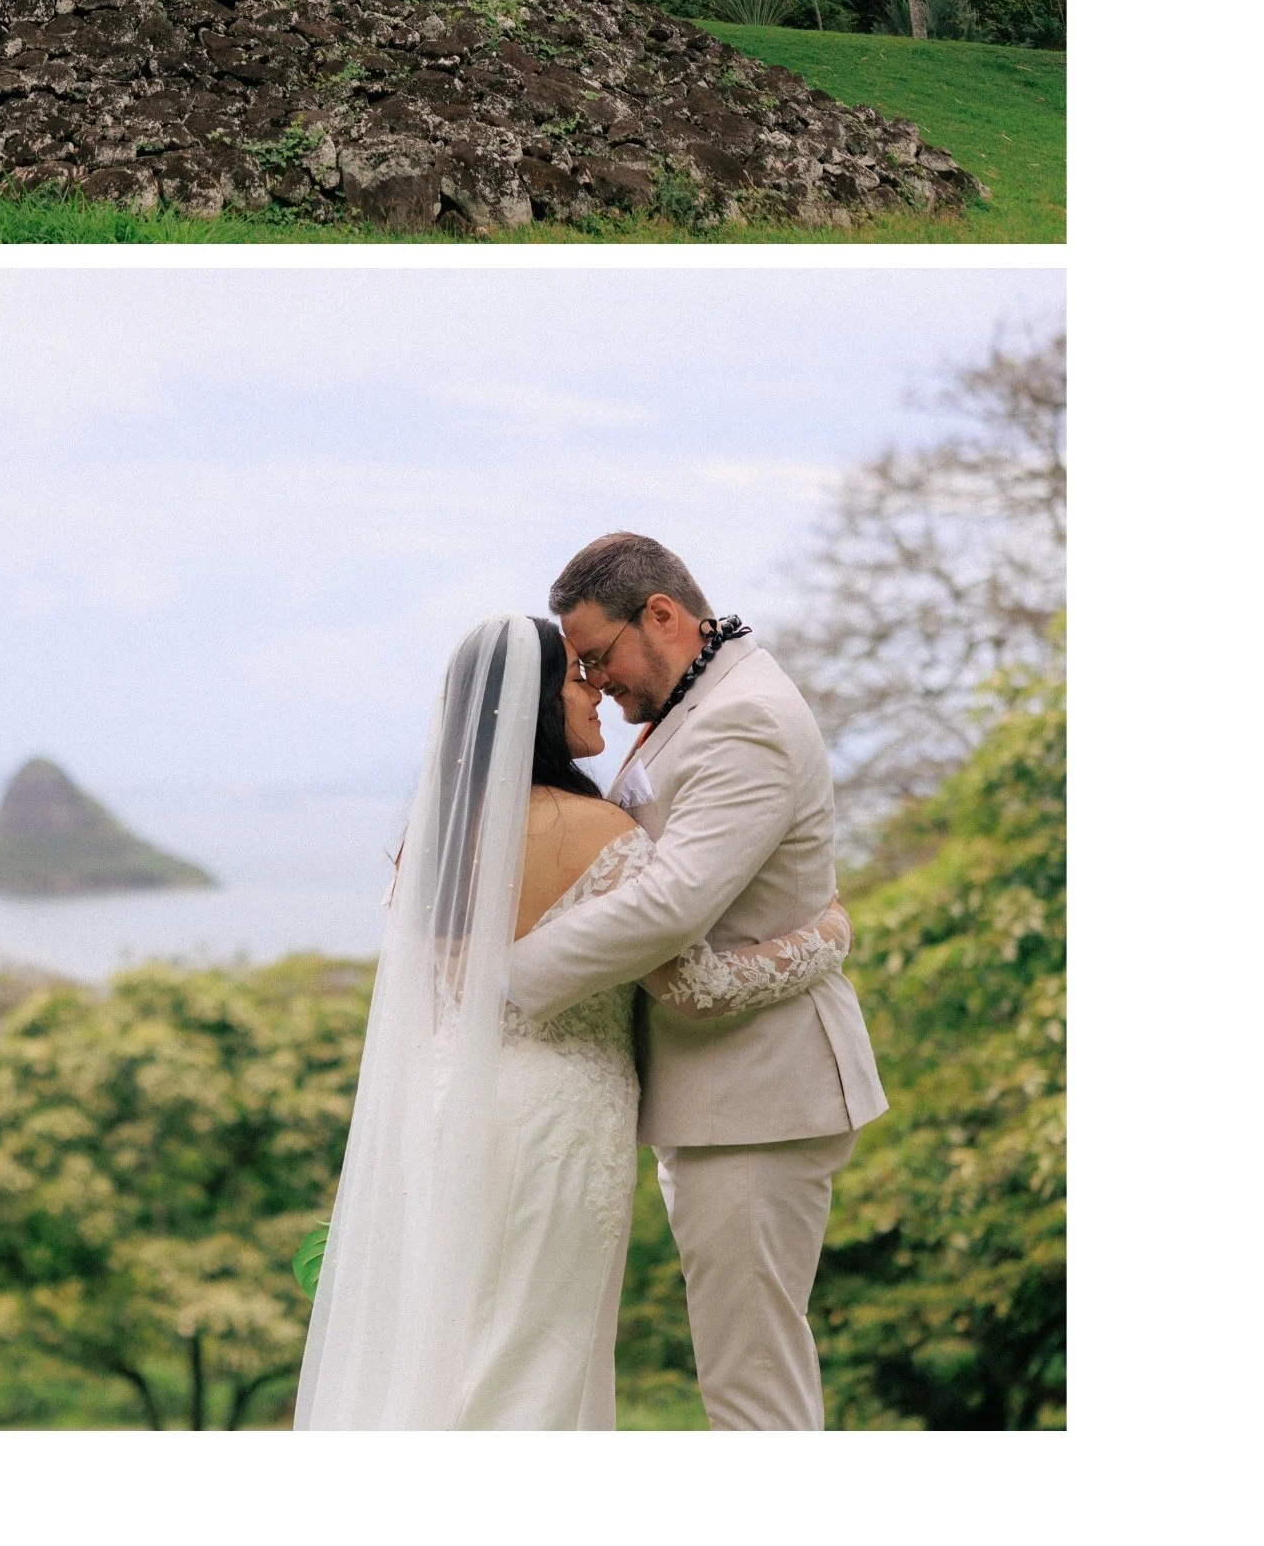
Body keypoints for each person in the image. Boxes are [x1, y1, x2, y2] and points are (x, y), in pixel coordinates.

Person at [296, 605, 852, 1430]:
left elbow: (444, 986)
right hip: (549, 1126)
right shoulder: (597, 832)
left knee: (448, 1349)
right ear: (531, 708)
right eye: (574, 676)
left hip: (445, 1110)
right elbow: (690, 986)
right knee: (531, 1360)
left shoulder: (433, 843)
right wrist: (825, 938)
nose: (593, 691)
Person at [509, 531, 887, 1430]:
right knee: (740, 1367)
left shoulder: (744, 715)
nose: (595, 684)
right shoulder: (700, 701)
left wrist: (509, 984)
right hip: (718, 1093)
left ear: (664, 615)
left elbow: (674, 904)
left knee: (753, 1386)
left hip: (760, 1093)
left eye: (597, 657)